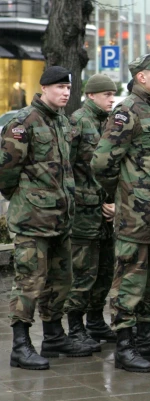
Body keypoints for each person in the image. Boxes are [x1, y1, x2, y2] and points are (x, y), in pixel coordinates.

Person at [92, 53, 150, 373]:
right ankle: (125, 345)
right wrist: (119, 192)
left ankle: (146, 338)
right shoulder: (126, 111)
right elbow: (102, 163)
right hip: (135, 214)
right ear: (141, 77)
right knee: (130, 279)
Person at [1, 66, 93, 370]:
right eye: (59, 87)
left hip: (60, 220)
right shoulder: (23, 122)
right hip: (32, 220)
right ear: (44, 88)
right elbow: (6, 170)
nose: (65, 92)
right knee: (29, 282)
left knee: (61, 280)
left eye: (68, 88)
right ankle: (20, 345)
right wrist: (25, 198)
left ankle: (54, 336)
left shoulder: (62, 123)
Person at [64, 74, 119, 353]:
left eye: (114, 94)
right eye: (107, 94)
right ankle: (75, 326)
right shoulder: (78, 121)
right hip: (84, 211)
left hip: (106, 211)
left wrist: (112, 202)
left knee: (105, 269)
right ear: (91, 95)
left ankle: (96, 320)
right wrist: (86, 202)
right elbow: (67, 168)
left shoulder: (108, 122)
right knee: (83, 270)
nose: (112, 99)